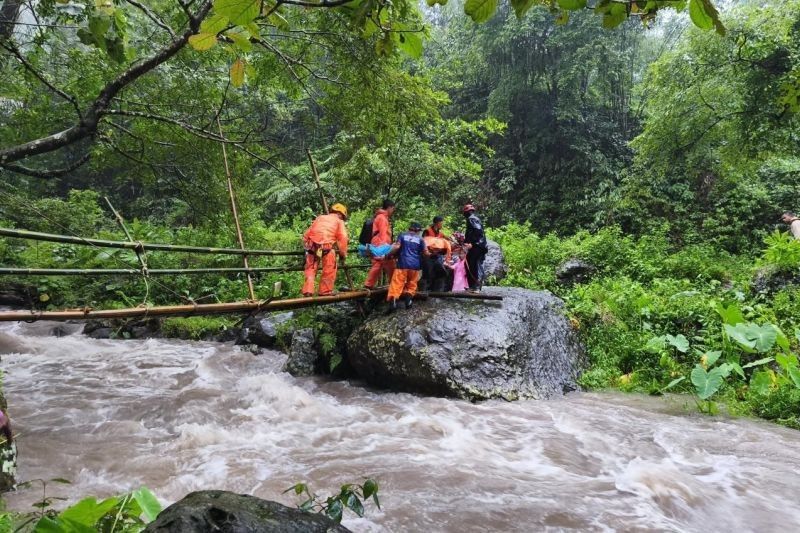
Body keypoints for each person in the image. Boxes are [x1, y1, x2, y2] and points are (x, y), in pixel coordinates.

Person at [301, 203, 349, 297]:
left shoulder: (320, 218)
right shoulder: (339, 221)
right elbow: (343, 238)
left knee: (310, 269)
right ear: (341, 214)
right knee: (329, 269)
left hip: (312, 246)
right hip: (326, 247)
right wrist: (343, 254)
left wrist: (307, 247)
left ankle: (308, 291)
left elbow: (306, 235)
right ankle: (325, 291)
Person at [386, 222, 428, 311]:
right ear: (417, 230)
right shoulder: (421, 239)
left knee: (397, 283)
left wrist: (388, 255)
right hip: (415, 265)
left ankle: (393, 303)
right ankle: (408, 301)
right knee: (412, 284)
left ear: (410, 228)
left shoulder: (402, 235)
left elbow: (397, 247)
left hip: (402, 264)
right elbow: (426, 253)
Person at [364, 199, 396, 289]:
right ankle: (368, 285)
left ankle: (393, 284)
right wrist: (383, 249)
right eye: (393, 209)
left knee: (386, 264)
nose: (393, 211)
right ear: (389, 207)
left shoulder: (381, 217)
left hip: (380, 243)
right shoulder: (382, 218)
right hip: (380, 244)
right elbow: (382, 234)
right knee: (379, 264)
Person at [462, 204, 488, 292]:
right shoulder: (473, 219)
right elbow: (471, 233)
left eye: (465, 213)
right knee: (470, 263)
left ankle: (476, 286)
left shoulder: (472, 219)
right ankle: (473, 286)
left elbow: (478, 232)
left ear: (468, 212)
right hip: (478, 246)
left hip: (477, 246)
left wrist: (472, 244)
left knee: (475, 265)